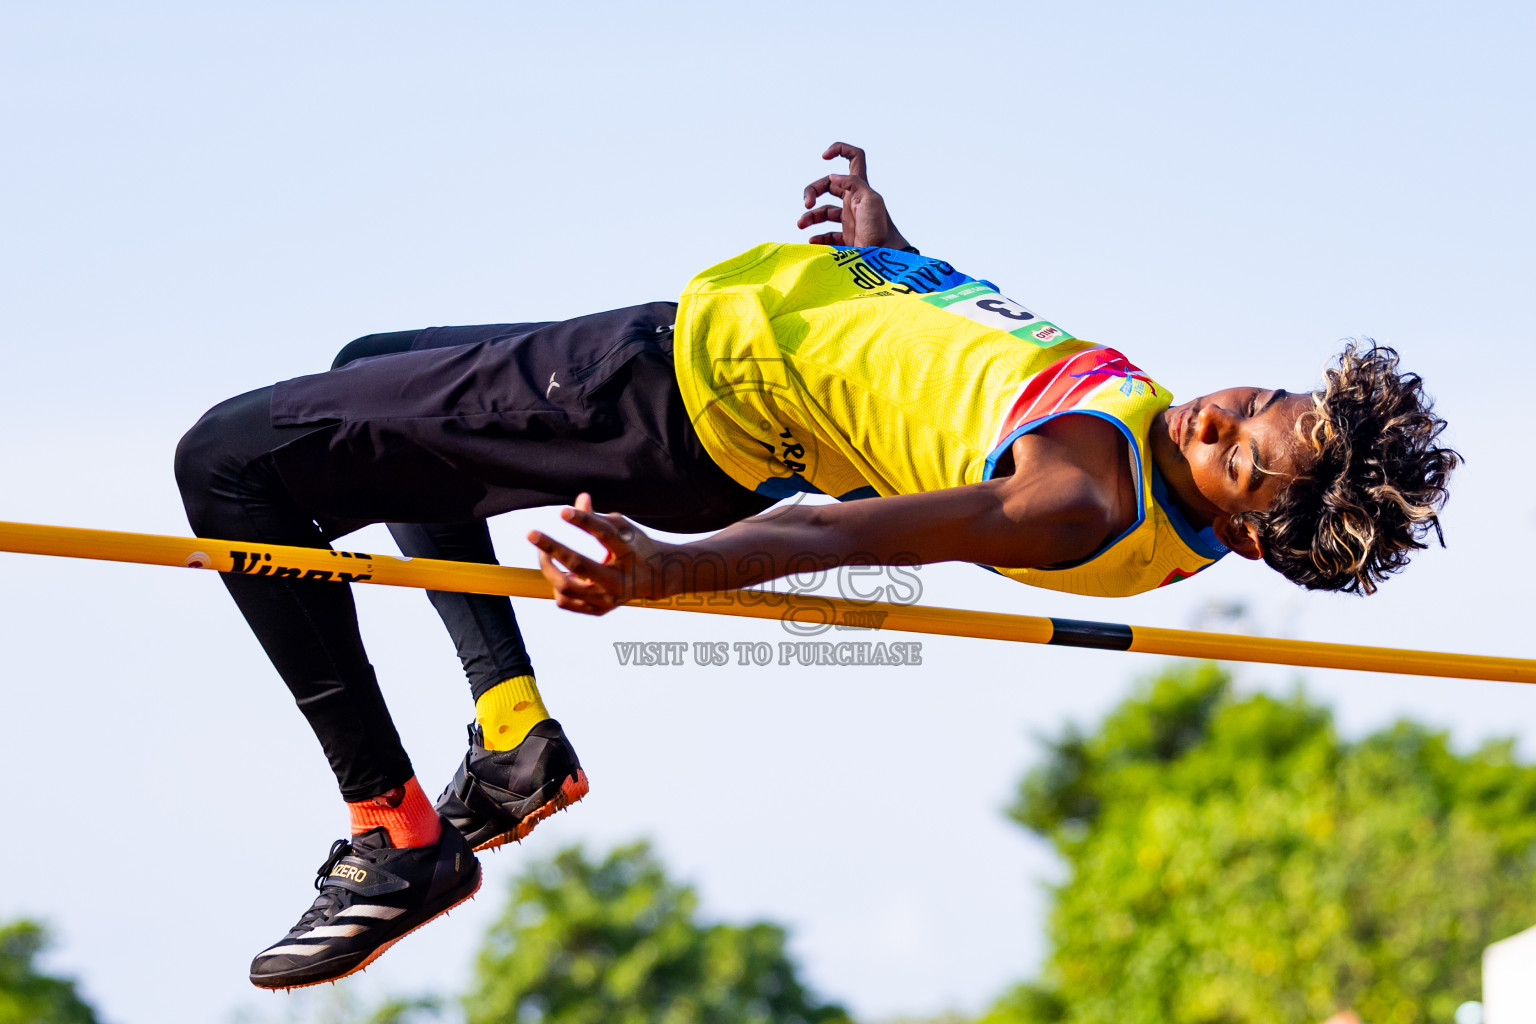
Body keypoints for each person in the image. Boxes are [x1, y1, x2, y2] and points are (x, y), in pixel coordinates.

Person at [174, 143, 1459, 989]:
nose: (1216, 420)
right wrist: (903, 259)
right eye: (1261, 401)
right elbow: (990, 361)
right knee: (367, 366)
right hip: (692, 358)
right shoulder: (1162, 461)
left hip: (664, 400)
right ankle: (514, 739)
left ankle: (388, 831)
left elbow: (845, 535)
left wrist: (670, 571)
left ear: (1242, 530)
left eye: (1240, 459)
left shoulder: (1076, 495)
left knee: (230, 462)